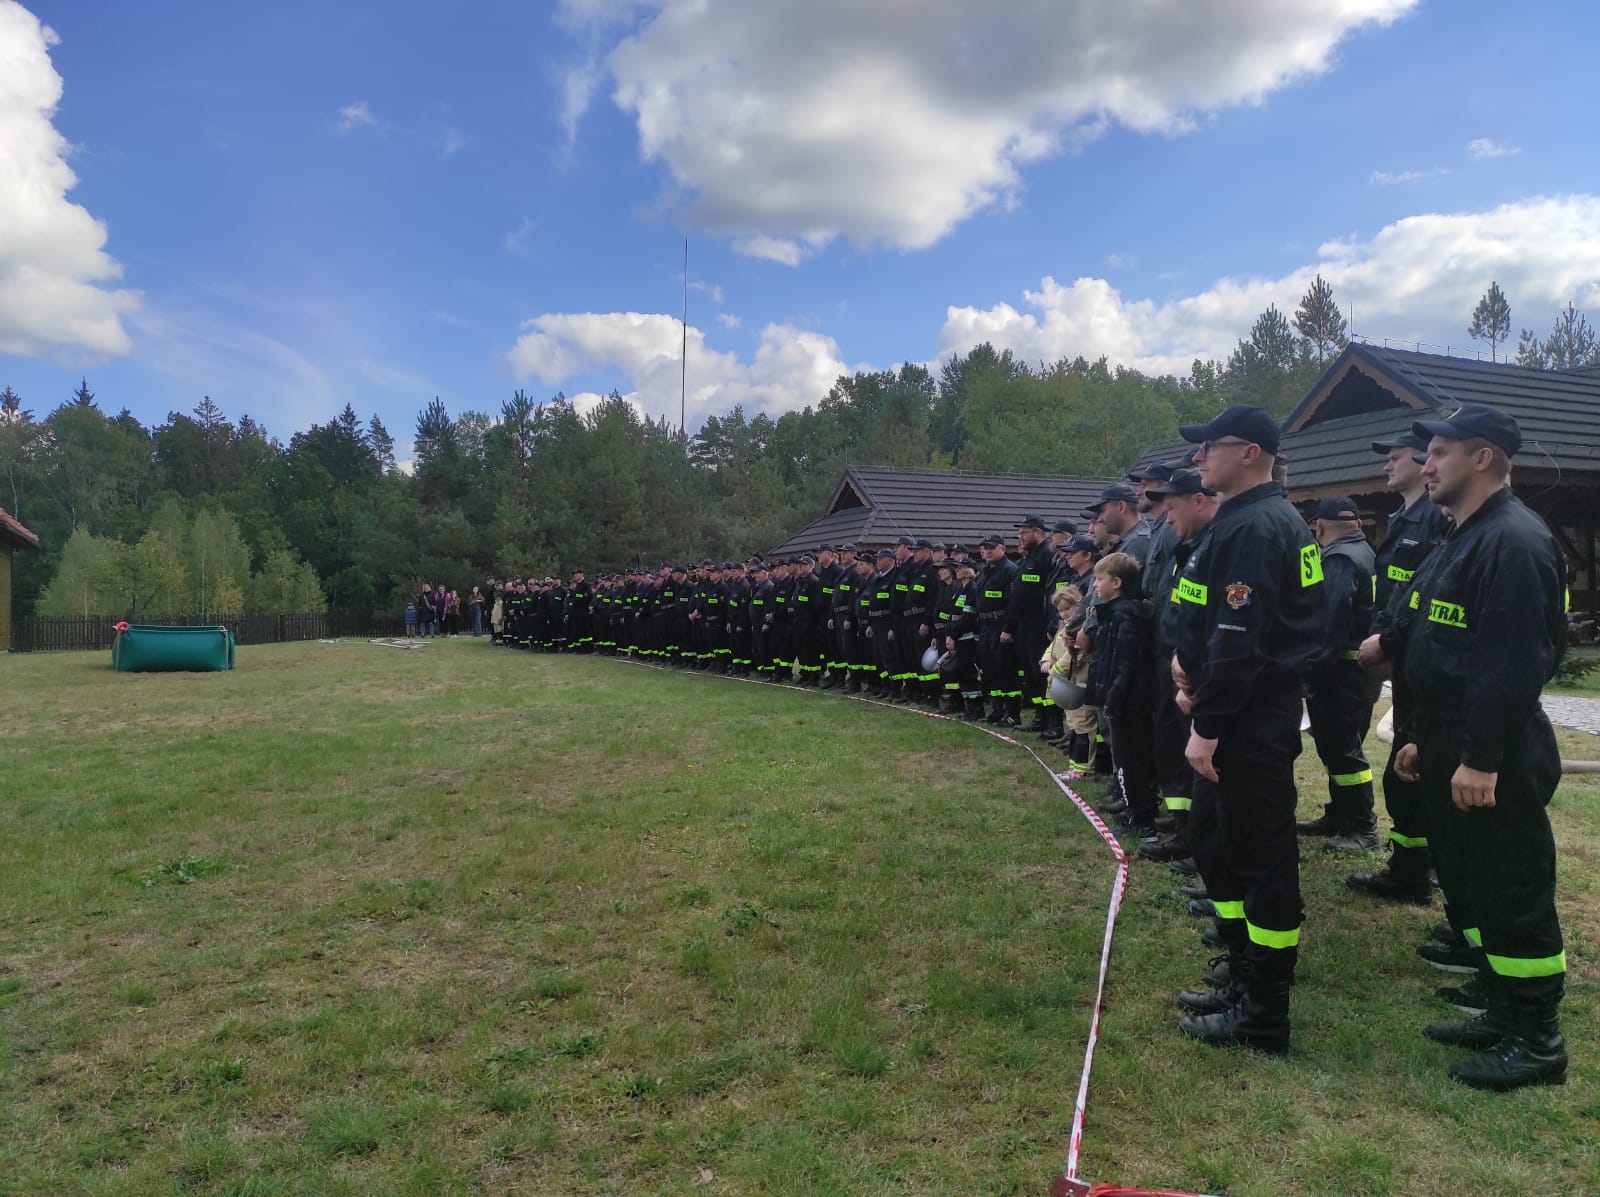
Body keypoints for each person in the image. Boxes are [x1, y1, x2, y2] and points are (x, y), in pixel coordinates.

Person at [1373, 405, 1569, 1091]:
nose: (1425, 465)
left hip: (1494, 750)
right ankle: (1501, 1002)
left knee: (1512, 889)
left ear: (1483, 458)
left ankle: (1537, 1040)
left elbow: (1512, 663)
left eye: (1440, 453)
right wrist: (1419, 737)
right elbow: (1436, 640)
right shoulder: (1464, 535)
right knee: (1474, 882)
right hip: (1447, 739)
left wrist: (1482, 757)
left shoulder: (1513, 542)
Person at [1168, 404, 1324, 1056]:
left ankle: (1264, 1013)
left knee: (1263, 862)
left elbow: (1241, 641)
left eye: (1211, 445)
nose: (1199, 456)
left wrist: (1206, 723)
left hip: (1247, 723)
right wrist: (1187, 664)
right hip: (1236, 711)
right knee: (1218, 844)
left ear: (1250, 452)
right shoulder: (1246, 519)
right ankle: (1240, 975)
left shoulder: (1257, 527)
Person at [1349, 431, 1453, 903]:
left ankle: (1423, 872)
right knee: (1402, 771)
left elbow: (1429, 593)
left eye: (1395, 458)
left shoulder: (1435, 518)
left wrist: (1390, 640)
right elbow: (1392, 589)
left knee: (1414, 769)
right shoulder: (1403, 517)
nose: (1387, 466)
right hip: (1400, 654)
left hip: (1419, 656)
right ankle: (1409, 869)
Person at [1297, 497, 1382, 851]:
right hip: (1361, 672)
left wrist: (1311, 673)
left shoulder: (1338, 560)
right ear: (1357, 524)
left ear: (1319, 526)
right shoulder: (1366, 552)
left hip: (1339, 674)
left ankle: (1362, 826)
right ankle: (1341, 814)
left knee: (1343, 750)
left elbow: (1329, 622)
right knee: (1342, 745)